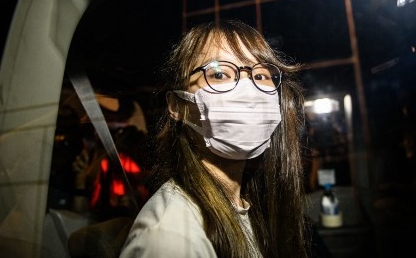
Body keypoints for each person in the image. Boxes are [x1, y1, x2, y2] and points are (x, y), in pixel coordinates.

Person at [119, 19, 315, 258]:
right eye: (220, 74)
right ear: (177, 106)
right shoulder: (169, 238)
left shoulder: (254, 208)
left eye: (262, 75)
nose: (249, 92)